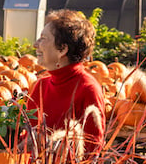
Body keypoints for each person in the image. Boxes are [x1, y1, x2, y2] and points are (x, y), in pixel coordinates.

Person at [27, 9, 106, 153]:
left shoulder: (88, 89)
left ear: (62, 49)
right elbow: (28, 140)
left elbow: (92, 149)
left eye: (43, 39)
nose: (35, 44)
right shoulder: (40, 86)